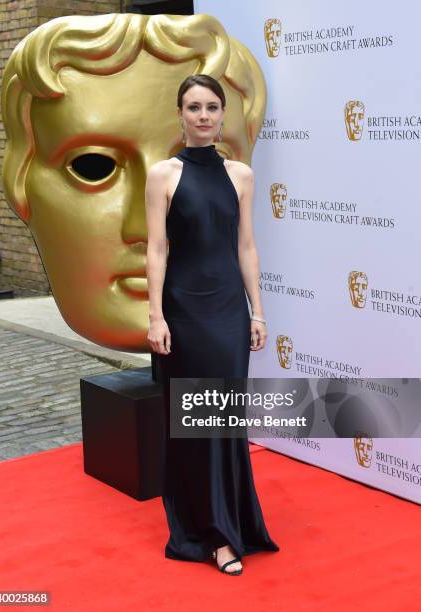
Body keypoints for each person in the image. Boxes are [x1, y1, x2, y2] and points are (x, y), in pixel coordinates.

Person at [145, 74, 280, 576]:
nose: (203, 115)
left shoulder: (241, 174)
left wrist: (258, 310)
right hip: (183, 309)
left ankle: (233, 523)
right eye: (193, 107)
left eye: (211, 107)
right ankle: (210, 532)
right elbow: (156, 251)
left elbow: (245, 247)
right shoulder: (162, 174)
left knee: (226, 421)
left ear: (224, 115)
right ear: (179, 115)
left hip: (227, 309)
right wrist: (155, 314)